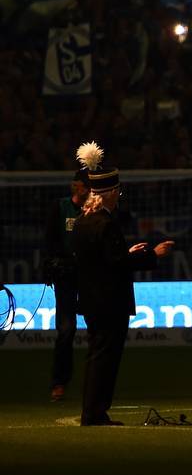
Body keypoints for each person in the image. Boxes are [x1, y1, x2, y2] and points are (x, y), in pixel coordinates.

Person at [71, 142, 174, 426]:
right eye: (118, 192)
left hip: (91, 299)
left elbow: (102, 259)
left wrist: (126, 254)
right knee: (106, 358)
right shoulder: (106, 223)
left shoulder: (81, 222)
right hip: (110, 301)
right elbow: (116, 263)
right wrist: (153, 255)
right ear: (111, 193)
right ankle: (95, 412)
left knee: (96, 356)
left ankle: (92, 410)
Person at [44, 168, 89, 402]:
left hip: (91, 275)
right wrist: (49, 266)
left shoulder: (94, 210)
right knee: (66, 329)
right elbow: (49, 239)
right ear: (76, 186)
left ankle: (93, 383)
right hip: (66, 276)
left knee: (98, 330)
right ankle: (59, 382)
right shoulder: (60, 207)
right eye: (86, 185)